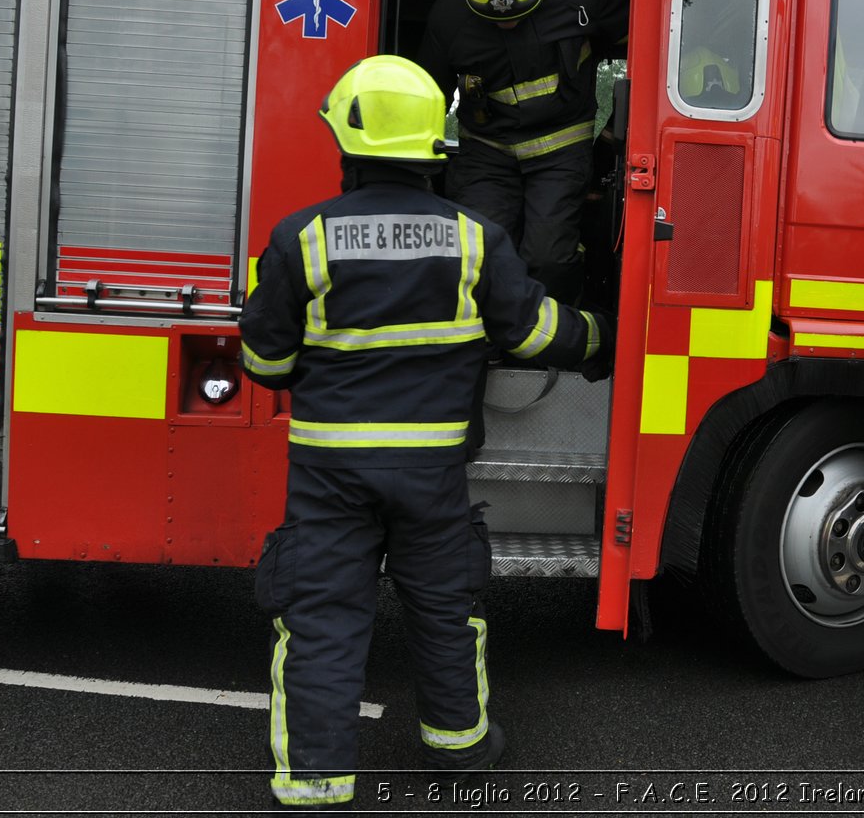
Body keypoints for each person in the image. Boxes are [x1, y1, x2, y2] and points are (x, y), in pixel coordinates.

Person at [240, 56, 613, 809]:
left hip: (331, 474)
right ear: (432, 147)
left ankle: (315, 781)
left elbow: (264, 359)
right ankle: (460, 747)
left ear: (347, 143)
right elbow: (538, 332)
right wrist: (599, 335)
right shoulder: (474, 239)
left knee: (323, 616)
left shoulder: (301, 239)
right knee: (446, 606)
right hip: (433, 472)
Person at [418, 0, 628, 303]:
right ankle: (483, 344)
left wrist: (616, 135)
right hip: (486, 152)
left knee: (548, 257)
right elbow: (426, 97)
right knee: (479, 253)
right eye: (494, 18)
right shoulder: (448, 18)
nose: (506, 23)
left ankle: (550, 343)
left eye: (519, 14)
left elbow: (648, 42)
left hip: (561, 150)